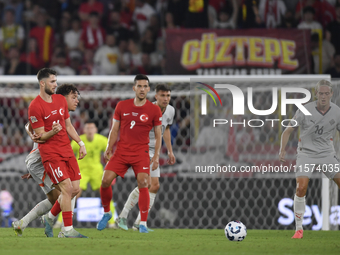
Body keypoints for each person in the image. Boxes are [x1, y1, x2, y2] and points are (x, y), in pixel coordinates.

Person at [96, 74, 162, 233]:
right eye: (139, 86)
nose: (142, 89)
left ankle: (143, 223)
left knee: (143, 183)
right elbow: (114, 129)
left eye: (145, 86)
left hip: (141, 152)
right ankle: (107, 213)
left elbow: (159, 135)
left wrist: (157, 155)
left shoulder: (154, 109)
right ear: (134, 88)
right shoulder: (122, 106)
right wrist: (108, 147)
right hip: (122, 151)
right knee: (105, 181)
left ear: (148, 89)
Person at [12, 83, 80, 237]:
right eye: (73, 97)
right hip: (40, 160)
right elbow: (29, 124)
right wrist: (31, 136)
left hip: (42, 161)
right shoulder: (50, 108)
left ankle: (23, 223)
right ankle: (64, 227)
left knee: (60, 195)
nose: (77, 101)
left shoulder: (62, 115)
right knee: (67, 190)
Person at [27, 68, 87, 238]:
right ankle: (67, 230)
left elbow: (68, 125)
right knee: (66, 189)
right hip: (51, 154)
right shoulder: (35, 106)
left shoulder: (60, 100)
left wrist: (80, 143)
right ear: (42, 83)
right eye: (52, 81)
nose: (56, 84)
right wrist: (52, 132)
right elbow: (40, 138)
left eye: (56, 81)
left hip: (67, 151)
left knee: (75, 189)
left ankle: (49, 217)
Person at [279, 80, 340, 239]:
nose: (324, 96)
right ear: (316, 93)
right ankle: (299, 229)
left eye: (327, 93)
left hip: (327, 154)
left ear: (331, 94)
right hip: (306, 153)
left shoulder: (337, 112)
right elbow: (288, 130)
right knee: (301, 188)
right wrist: (282, 150)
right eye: (321, 93)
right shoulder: (304, 110)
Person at [116, 84, 176, 231]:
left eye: (168, 95)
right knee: (146, 183)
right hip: (141, 148)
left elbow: (165, 129)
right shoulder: (147, 110)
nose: (166, 98)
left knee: (154, 186)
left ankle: (137, 223)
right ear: (156, 96)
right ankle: (123, 216)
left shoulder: (171, 110)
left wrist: (169, 151)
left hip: (154, 150)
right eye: (162, 95)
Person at [54, 121, 116, 228]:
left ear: (96, 130)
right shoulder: (78, 141)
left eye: (92, 128)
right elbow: (68, 154)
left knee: (105, 194)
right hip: (81, 171)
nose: (90, 131)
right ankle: (60, 221)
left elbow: (110, 154)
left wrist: (111, 170)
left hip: (96, 171)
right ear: (84, 130)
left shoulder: (102, 140)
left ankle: (112, 223)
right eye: (88, 128)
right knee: (72, 194)